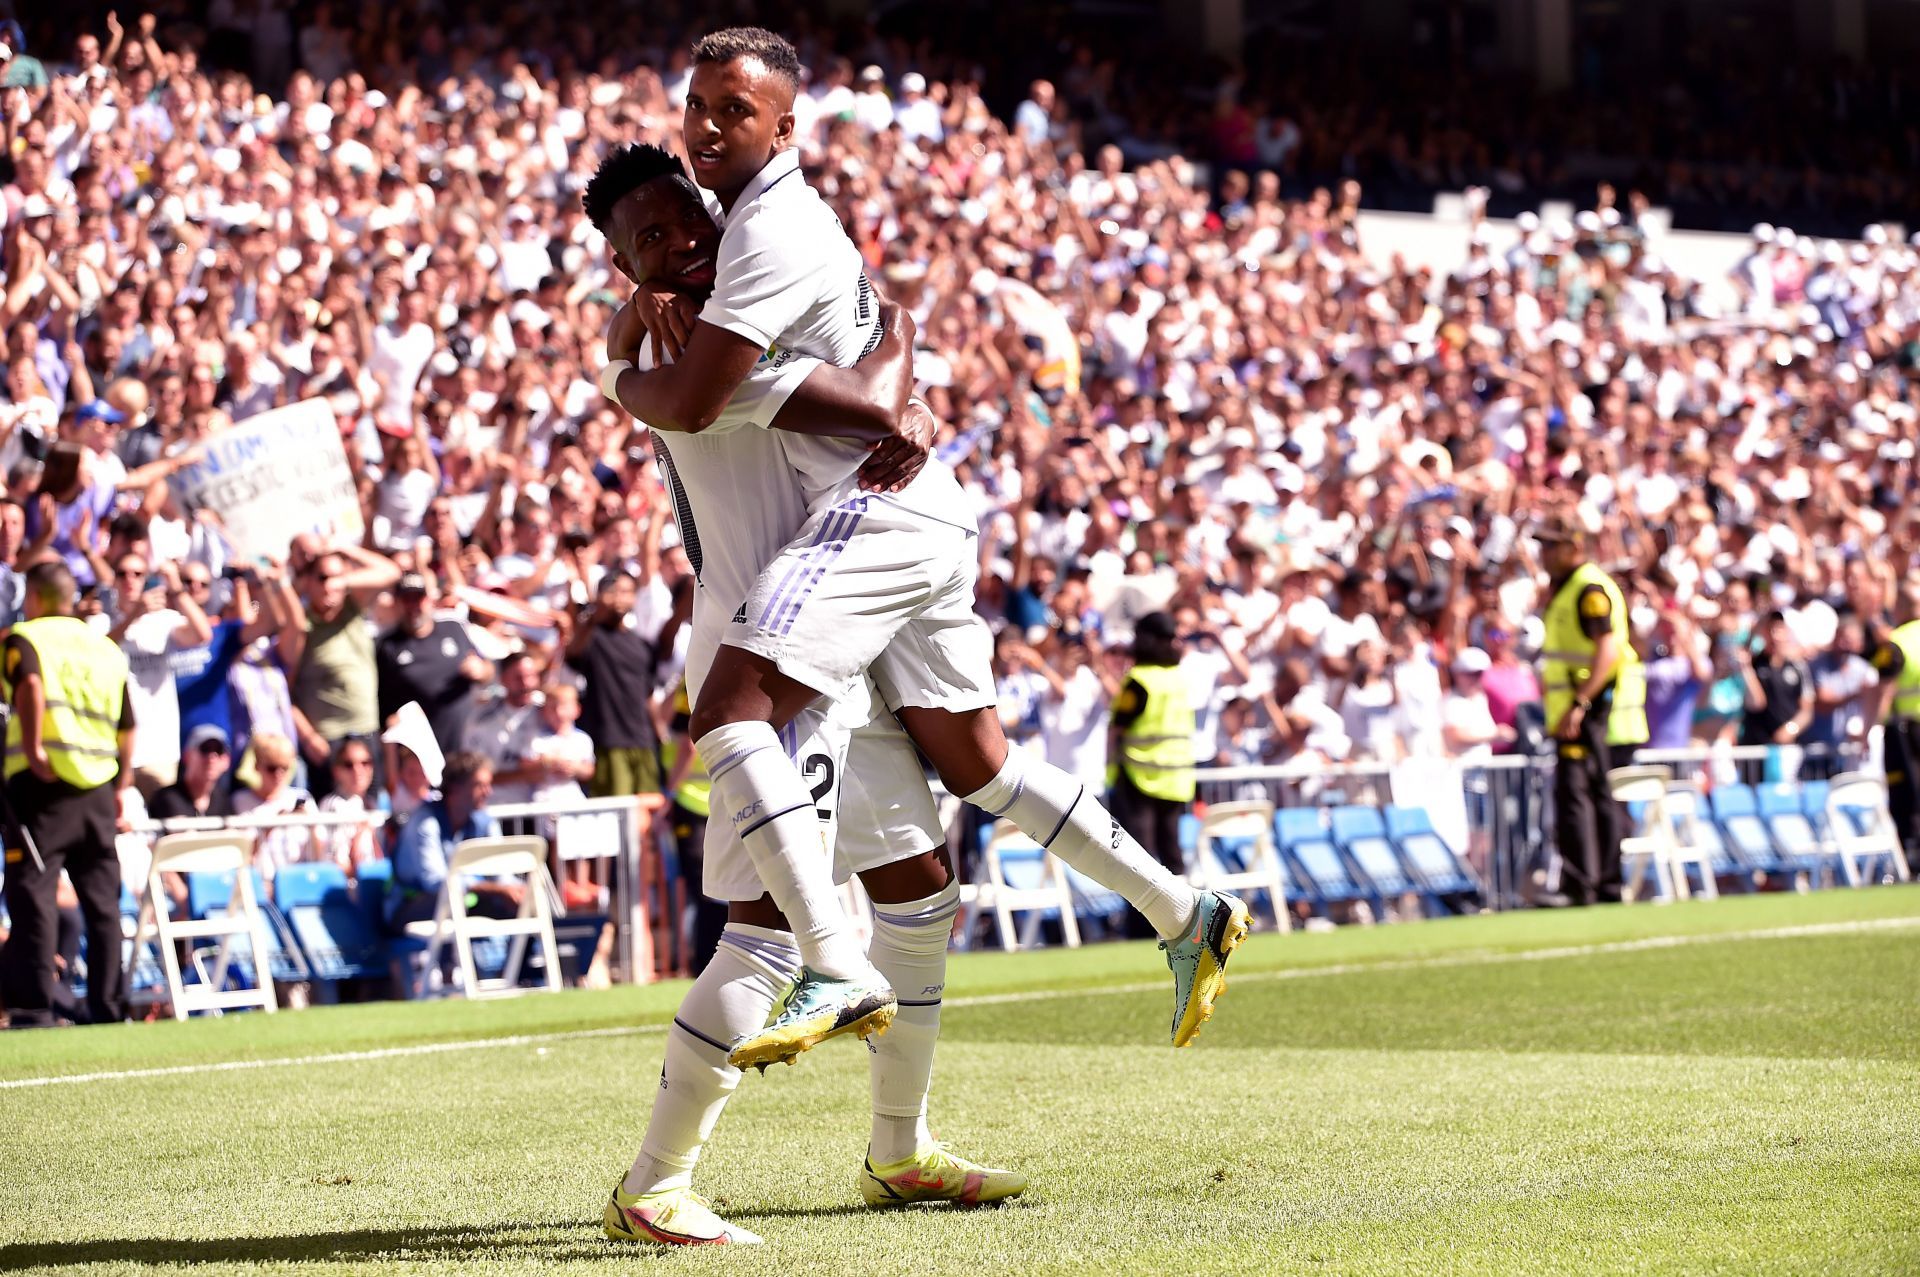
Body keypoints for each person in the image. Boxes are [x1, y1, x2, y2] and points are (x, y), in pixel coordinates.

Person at [602, 33, 1243, 1076]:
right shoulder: (698, 299)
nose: (710, 127)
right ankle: (1179, 907)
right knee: (972, 772)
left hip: (867, 531)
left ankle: (822, 974)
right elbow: (850, 367)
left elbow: (754, 394)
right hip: (883, 527)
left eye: (733, 108)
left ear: (781, 126)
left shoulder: (744, 269)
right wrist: (636, 347)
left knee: (735, 731)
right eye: (698, 107)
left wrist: (630, 371)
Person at [584, 136, 1028, 1245]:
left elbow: (868, 363)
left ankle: (901, 1145)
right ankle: (655, 1182)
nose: (682, 239)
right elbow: (873, 399)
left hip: (827, 645)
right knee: (760, 932)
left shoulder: (715, 315)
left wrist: (615, 347)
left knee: (923, 886)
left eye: (685, 217)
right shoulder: (703, 362)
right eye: (650, 240)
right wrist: (901, 374)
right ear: (626, 267)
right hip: (764, 651)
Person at [1, 561, 134, 1028]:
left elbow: (32, 684)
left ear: (33, 598)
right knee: (103, 904)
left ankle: (34, 1007)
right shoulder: (106, 649)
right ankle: (109, 1005)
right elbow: (128, 724)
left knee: (33, 894)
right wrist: (123, 785)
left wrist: (36, 749)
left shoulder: (26, 637)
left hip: (44, 790)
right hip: (98, 787)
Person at [1535, 515, 1647, 907]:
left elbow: (1608, 650)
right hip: (1581, 711)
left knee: (1585, 798)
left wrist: (1580, 703)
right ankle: (1592, 883)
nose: (1543, 554)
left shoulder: (1589, 589)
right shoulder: (1568, 587)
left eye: (1551, 545)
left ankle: (1590, 884)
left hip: (1593, 711)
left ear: (1574, 547)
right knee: (1581, 796)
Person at [1107, 611, 1196, 883]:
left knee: (1139, 860)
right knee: (1173, 857)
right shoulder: (1179, 677)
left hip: (1138, 778)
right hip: (1175, 779)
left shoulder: (1139, 680)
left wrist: (1110, 770)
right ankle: (1186, 923)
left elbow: (1117, 728)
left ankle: (1142, 927)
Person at [385, 751, 517, 930]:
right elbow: (436, 883)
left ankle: (522, 958)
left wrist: (515, 890)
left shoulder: (484, 821)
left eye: (489, 784)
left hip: (461, 901)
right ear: (455, 788)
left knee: (524, 903)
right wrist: (494, 890)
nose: (488, 792)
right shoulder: (425, 823)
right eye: (479, 785)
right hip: (409, 907)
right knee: (461, 902)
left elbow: (501, 874)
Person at [557, 572, 660, 799]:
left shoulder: (641, 645)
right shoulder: (592, 637)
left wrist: (659, 733)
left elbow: (649, 695)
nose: (620, 598)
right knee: (616, 818)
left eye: (626, 592)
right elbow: (572, 655)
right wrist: (594, 615)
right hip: (608, 741)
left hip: (644, 742)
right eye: (613, 591)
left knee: (649, 816)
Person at [375, 572, 493, 754]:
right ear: (397, 603)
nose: (413, 606)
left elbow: (487, 669)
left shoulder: (453, 627)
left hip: (466, 744)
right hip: (419, 756)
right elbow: (381, 705)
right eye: (407, 599)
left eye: (419, 598)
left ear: (429, 600)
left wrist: (481, 670)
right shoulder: (387, 646)